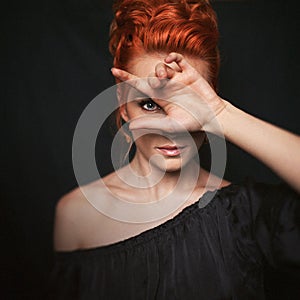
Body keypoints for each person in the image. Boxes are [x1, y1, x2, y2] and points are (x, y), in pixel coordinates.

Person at [47, 0, 300, 299]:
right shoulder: (75, 215)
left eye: (187, 103)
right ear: (122, 106)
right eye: (150, 104)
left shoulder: (245, 213)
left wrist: (219, 114)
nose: (172, 125)